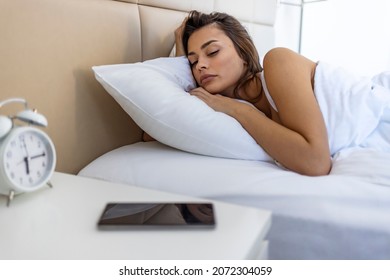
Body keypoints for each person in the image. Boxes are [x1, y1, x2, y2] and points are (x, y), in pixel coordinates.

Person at [175, 10, 331, 176]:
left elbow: (316, 162)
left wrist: (237, 110)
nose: (200, 66)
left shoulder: (279, 62)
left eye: (213, 52)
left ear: (243, 52)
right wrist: (179, 57)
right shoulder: (216, 105)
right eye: (193, 61)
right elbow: (152, 134)